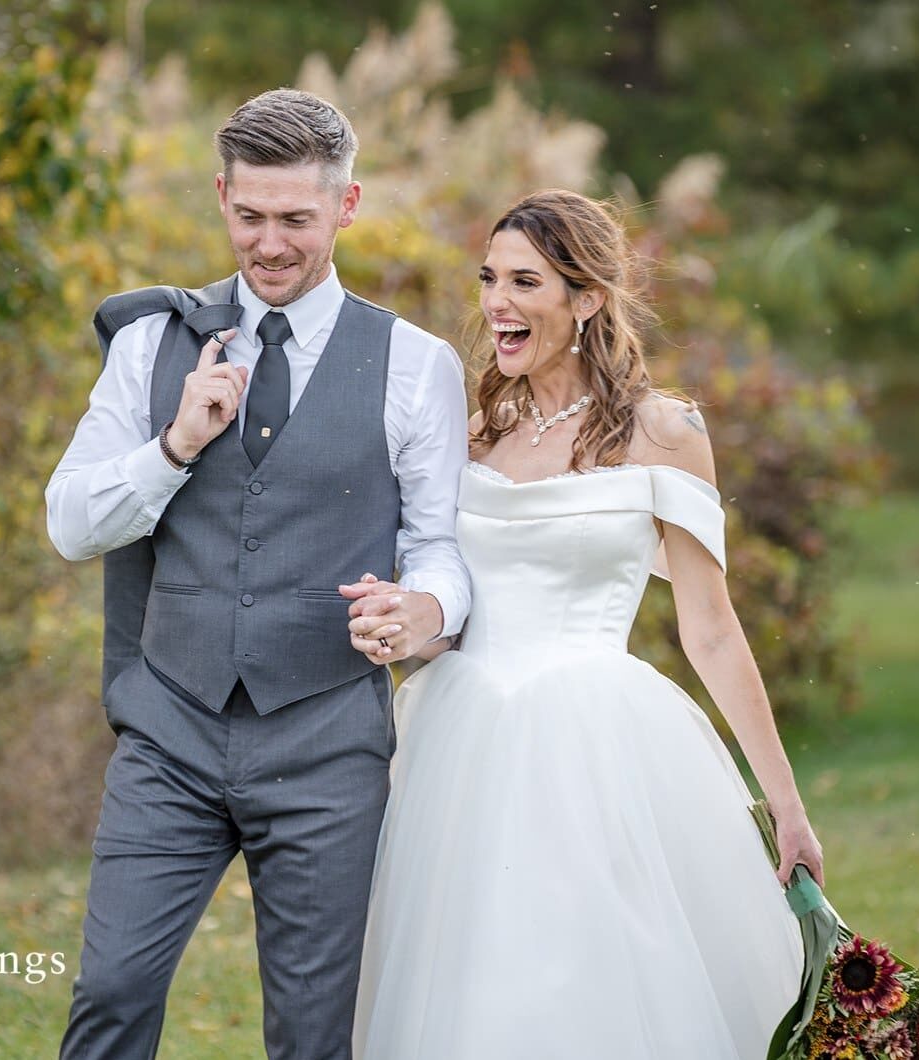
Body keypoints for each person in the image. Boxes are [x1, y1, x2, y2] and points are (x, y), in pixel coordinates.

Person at [45, 89, 471, 1060]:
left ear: (346, 206)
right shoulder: (151, 343)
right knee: (110, 991)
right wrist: (174, 445)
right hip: (168, 734)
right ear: (221, 198)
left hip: (328, 745)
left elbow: (443, 545)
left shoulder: (415, 365)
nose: (269, 244)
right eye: (248, 217)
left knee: (315, 1034)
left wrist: (423, 607)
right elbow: (68, 524)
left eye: (295, 220)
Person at [347, 189, 822, 1058]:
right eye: (489, 278)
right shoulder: (470, 429)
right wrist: (401, 622)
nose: (496, 301)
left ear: (588, 298)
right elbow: (447, 605)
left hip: (596, 743)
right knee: (466, 979)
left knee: (591, 976)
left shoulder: (662, 432)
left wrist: (785, 809)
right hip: (459, 739)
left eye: (525, 281)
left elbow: (709, 629)